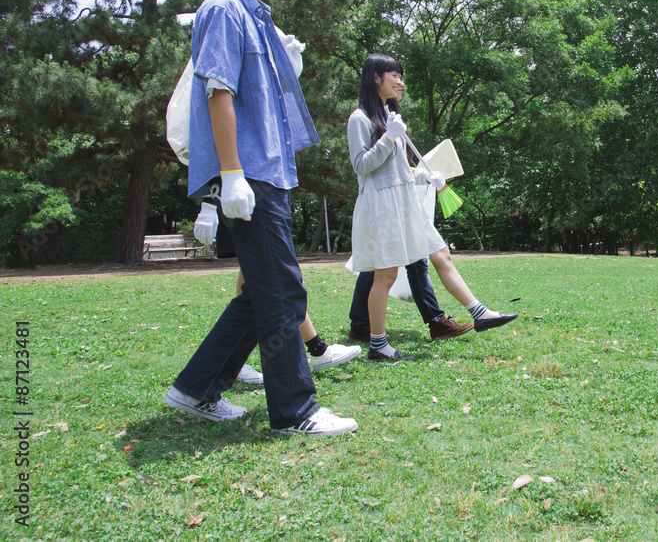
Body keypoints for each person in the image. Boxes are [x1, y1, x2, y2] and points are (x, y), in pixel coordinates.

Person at [163, 0, 355, 436]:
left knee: (261, 292)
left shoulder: (254, 14)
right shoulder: (223, 8)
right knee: (284, 291)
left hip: (266, 170)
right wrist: (232, 174)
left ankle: (194, 389)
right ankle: (296, 411)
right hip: (249, 174)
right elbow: (217, 92)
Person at [346, 53, 517, 358]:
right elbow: (361, 166)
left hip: (406, 200)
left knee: (442, 254)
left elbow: (397, 170)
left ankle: (479, 313)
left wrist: (425, 175)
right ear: (376, 77)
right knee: (384, 276)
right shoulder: (360, 119)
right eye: (395, 75)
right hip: (383, 205)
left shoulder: (390, 117)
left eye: (401, 76)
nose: (401, 82)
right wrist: (388, 139)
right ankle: (378, 344)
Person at [192, 200, 361, 384]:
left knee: (258, 277)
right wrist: (209, 203)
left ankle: (233, 364)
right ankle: (318, 349)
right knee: (279, 278)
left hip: (255, 203)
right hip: (249, 203)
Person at [347, 250, 518, 342]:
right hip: (394, 201)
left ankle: (438, 321)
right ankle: (364, 328)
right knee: (380, 264)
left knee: (420, 260)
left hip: (409, 199)